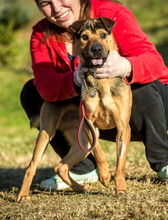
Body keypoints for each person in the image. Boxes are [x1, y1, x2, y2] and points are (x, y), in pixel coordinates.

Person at [20, 0, 168, 191]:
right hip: (93, 113)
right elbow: (44, 83)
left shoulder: (112, 13)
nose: (57, 8)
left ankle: (163, 161)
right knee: (32, 92)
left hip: (153, 107)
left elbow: (154, 62)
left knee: (139, 83)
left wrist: (125, 66)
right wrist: (75, 79)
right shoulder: (42, 33)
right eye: (46, 3)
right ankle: (83, 168)